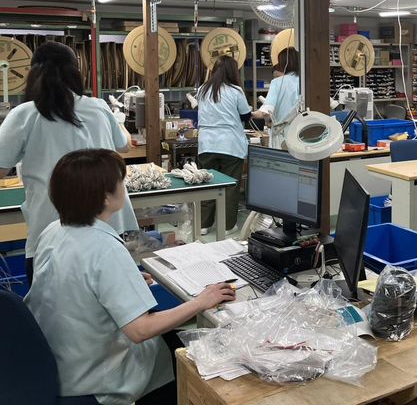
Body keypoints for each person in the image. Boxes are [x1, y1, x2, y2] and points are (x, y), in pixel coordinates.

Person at [25, 149, 235, 404]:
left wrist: (123, 284)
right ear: (105, 196)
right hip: (95, 376)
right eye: (120, 181)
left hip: (59, 360)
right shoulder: (104, 248)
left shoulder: (53, 231)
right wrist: (201, 302)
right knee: (195, 355)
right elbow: (140, 330)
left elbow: (74, 284)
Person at [0, 42, 137, 284]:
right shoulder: (98, 107)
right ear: (75, 73)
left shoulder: (25, 114)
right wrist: (120, 122)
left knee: (52, 305)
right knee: (112, 301)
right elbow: (125, 144)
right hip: (108, 229)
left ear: (33, 75)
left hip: (52, 232)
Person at [197, 54, 252, 233]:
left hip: (207, 144)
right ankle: (228, 226)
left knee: (207, 185)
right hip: (230, 145)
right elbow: (246, 116)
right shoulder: (236, 91)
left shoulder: (202, 90)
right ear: (233, 71)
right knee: (229, 187)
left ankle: (204, 225)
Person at [254, 46, 300, 149]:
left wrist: (251, 115)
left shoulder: (277, 83)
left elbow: (266, 111)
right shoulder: (306, 80)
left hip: (283, 136)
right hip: (303, 135)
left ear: (283, 63)